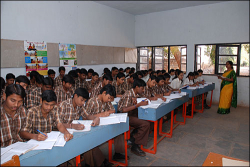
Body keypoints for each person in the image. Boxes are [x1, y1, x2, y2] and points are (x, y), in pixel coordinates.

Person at [56, 88, 101, 166]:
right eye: (82, 100)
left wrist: (96, 118)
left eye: (84, 101)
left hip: (74, 132)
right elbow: (58, 124)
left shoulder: (79, 105)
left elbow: (87, 115)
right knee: (74, 147)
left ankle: (89, 164)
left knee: (88, 142)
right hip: (62, 134)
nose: (83, 103)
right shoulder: (64, 105)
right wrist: (72, 126)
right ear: (75, 96)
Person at [118, 79, 150, 157]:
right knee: (145, 124)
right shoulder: (129, 94)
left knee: (149, 119)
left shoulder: (134, 93)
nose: (143, 90)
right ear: (136, 87)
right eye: (141, 88)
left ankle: (132, 139)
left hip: (130, 114)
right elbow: (123, 110)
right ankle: (135, 145)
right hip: (124, 116)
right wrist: (138, 105)